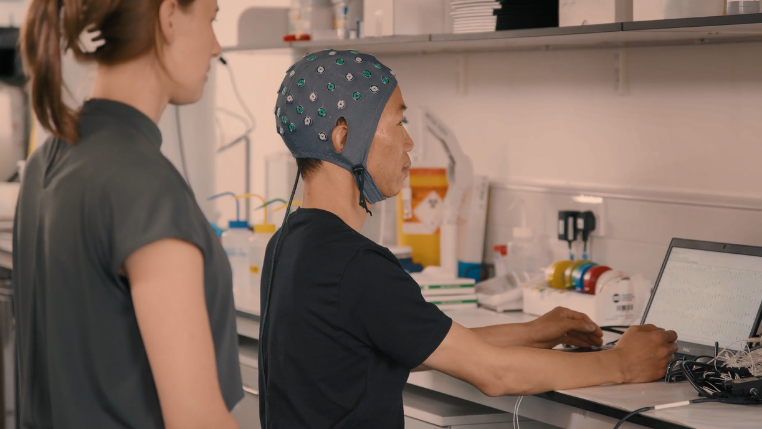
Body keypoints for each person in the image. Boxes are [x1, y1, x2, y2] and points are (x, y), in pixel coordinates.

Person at [258, 49, 679, 428]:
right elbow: (495, 374)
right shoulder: (357, 266)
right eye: (398, 121)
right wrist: (621, 363)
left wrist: (534, 332)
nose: (409, 142)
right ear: (343, 137)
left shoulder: (290, 246)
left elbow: (422, 340)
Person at [13, 1, 241, 428]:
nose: (215, 47)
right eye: (211, 19)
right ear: (169, 15)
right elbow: (197, 419)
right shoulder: (145, 186)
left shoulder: (48, 160)